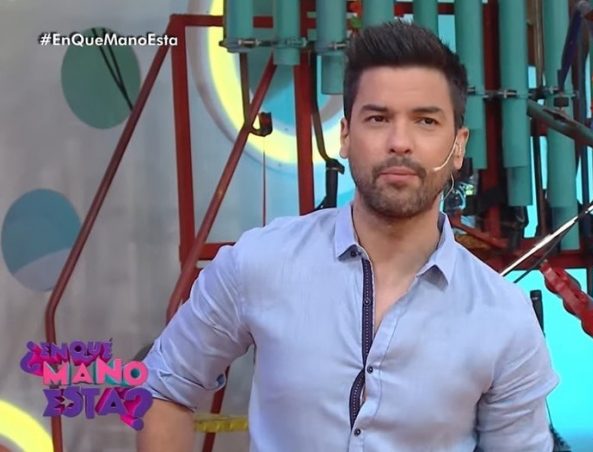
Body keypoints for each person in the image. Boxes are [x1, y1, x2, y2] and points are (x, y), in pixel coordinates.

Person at [137, 20, 558, 451]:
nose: (400, 142)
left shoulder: (504, 317)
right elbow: (163, 388)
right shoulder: (259, 263)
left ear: (458, 147)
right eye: (378, 118)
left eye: (426, 121)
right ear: (344, 136)